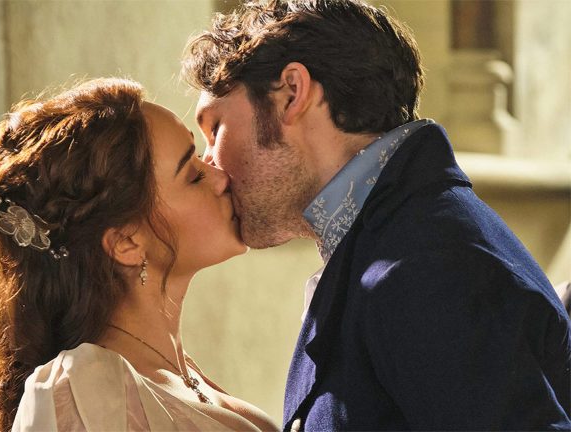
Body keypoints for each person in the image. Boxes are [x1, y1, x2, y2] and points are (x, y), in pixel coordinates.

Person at [181, 0, 571, 430]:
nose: (209, 162)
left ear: (292, 93)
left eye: (215, 128)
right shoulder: (402, 237)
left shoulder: (424, 268)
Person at [0, 78, 279, 431]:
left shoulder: (177, 375)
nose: (220, 177)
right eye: (192, 175)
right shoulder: (86, 391)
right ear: (126, 242)